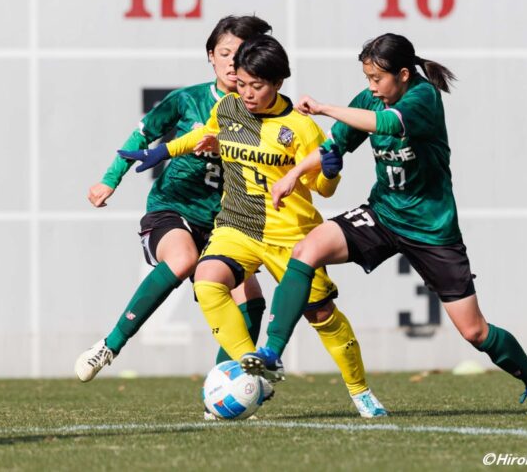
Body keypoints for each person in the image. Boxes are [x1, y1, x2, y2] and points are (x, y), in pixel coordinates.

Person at [256, 32, 527, 417]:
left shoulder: (423, 98)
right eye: (367, 78)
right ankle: (271, 353)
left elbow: (386, 124)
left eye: (377, 79)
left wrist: (326, 108)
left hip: (431, 229)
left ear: (403, 74)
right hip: (383, 214)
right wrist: (294, 174)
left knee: (475, 331)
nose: (371, 87)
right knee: (307, 249)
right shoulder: (372, 98)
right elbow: (334, 145)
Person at [119, 34, 387, 418]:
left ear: (277, 83)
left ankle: (361, 392)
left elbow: (323, 189)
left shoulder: (300, 127)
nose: (246, 92)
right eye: (242, 83)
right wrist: (162, 151)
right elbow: (205, 135)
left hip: (290, 235)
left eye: (256, 86)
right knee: (207, 281)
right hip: (237, 225)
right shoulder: (229, 107)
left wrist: (330, 171)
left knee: (322, 315)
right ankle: (256, 368)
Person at [75, 16, 271, 385]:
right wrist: (109, 180)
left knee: (251, 299)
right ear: (210, 56)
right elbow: (142, 135)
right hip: (174, 208)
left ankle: (225, 386)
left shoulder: (262, 112)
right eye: (224, 53)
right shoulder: (188, 100)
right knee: (183, 260)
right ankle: (110, 345)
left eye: (241, 54)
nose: (232, 62)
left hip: (226, 222)